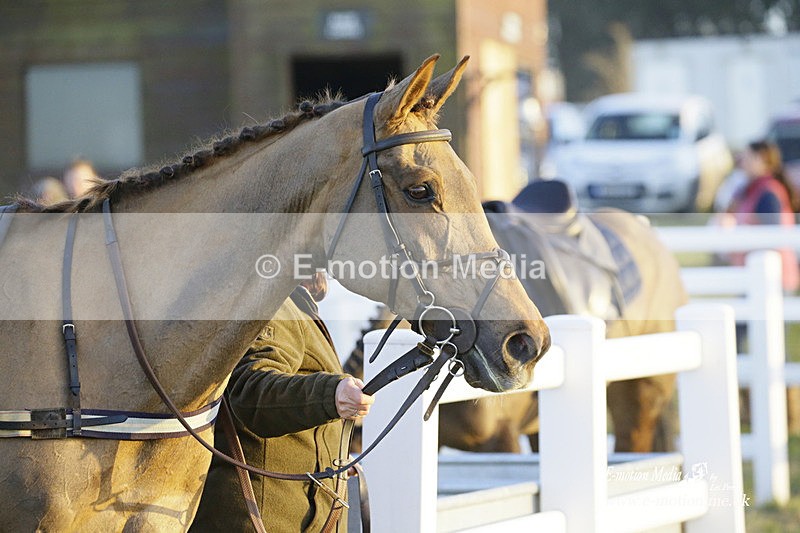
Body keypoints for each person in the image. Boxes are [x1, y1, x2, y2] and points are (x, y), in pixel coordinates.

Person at [191, 272, 374, 532]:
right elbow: (252, 392)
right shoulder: (275, 303)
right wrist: (331, 395)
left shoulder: (291, 304)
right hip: (261, 520)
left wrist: (333, 456)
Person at [724, 140, 799, 292]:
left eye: (748, 157)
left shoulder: (768, 194)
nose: (743, 162)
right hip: (754, 273)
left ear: (762, 160)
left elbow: (771, 237)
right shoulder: (750, 190)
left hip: (770, 278)